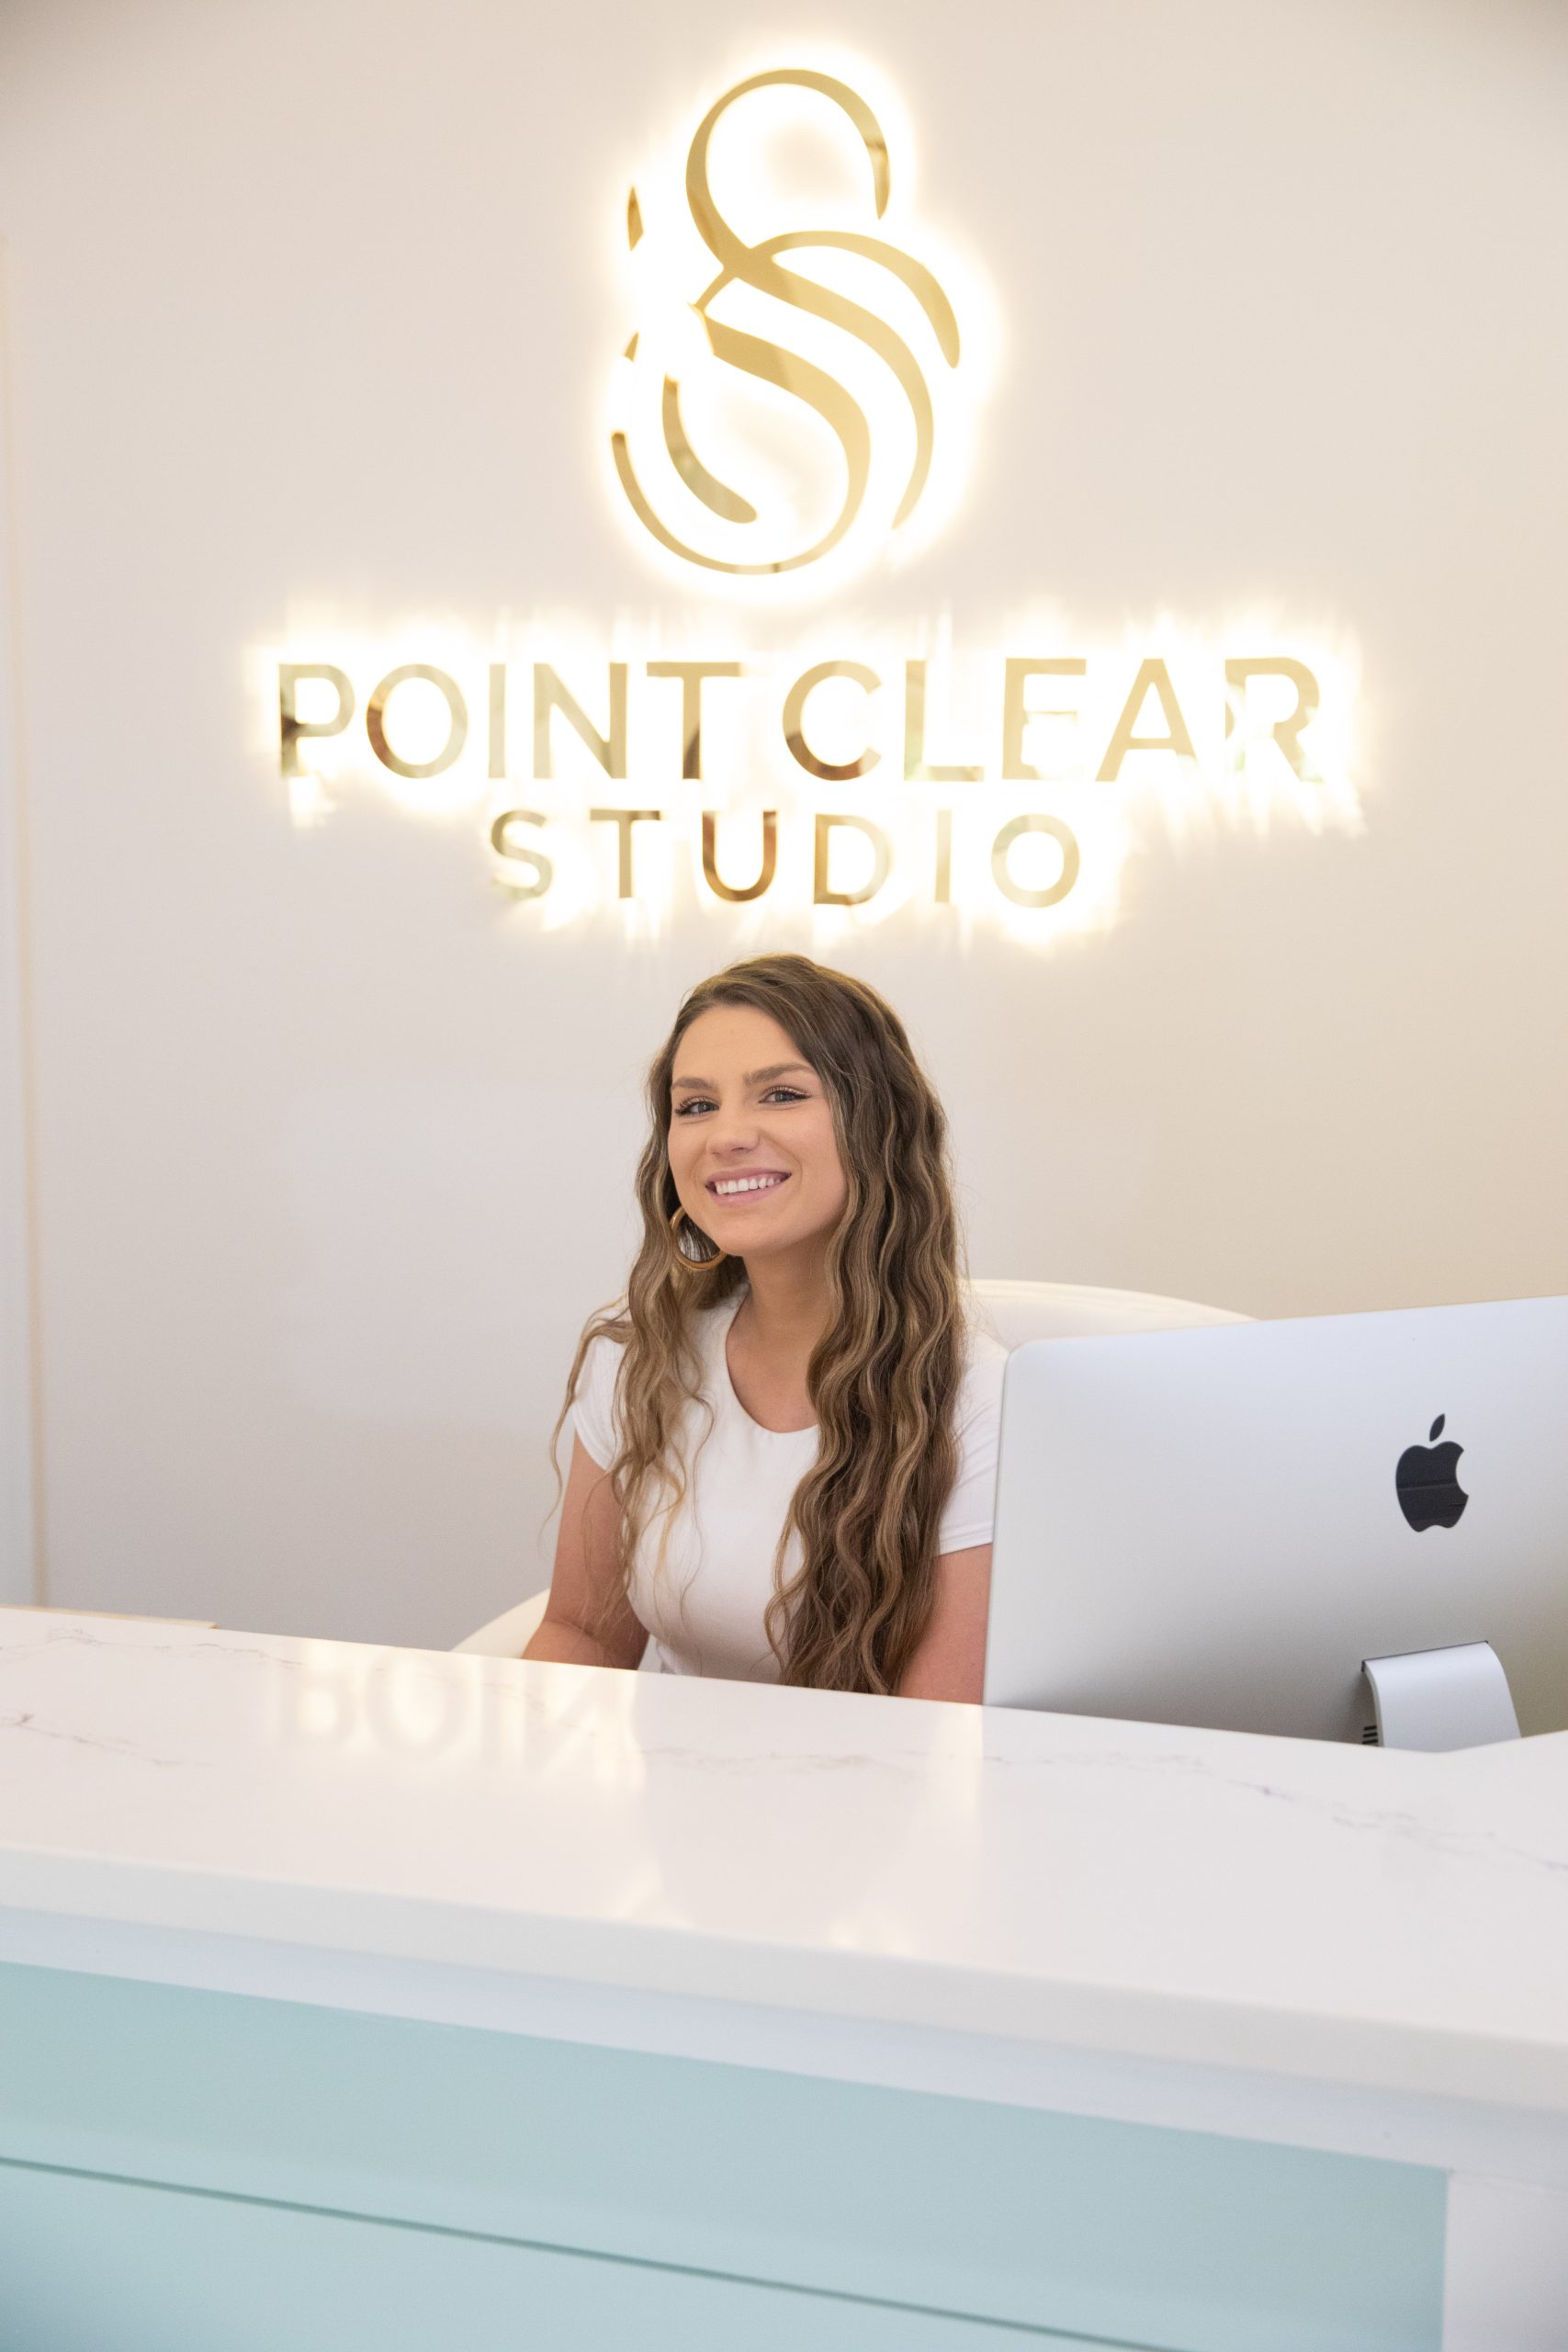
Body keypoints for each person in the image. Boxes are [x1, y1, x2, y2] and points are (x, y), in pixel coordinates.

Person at [524, 953, 1006, 1701]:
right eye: (695, 1106)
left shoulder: (980, 1402)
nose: (727, 1135)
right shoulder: (639, 1355)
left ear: (876, 1123)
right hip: (662, 1799)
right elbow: (582, 1636)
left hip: (868, 1803)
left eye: (780, 1094)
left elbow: (935, 1738)